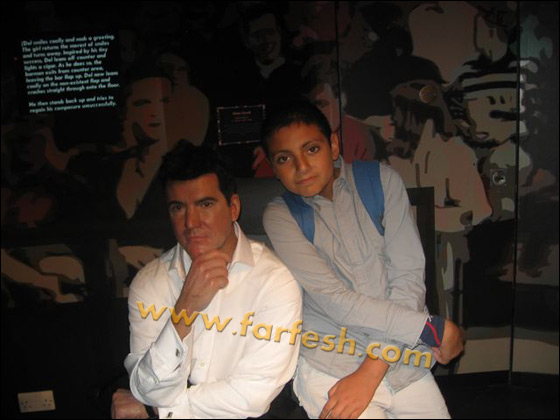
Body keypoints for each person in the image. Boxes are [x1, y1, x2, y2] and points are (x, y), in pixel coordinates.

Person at [261, 101, 464, 419]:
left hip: (402, 360)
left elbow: (408, 277)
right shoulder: (280, 215)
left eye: (312, 149)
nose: (302, 167)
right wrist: (432, 329)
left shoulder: (380, 181)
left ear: (333, 144)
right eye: (284, 158)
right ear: (274, 167)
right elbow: (335, 300)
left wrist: (373, 369)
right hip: (333, 362)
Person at [112, 141, 302, 418]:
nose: (191, 222)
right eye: (178, 208)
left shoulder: (274, 282)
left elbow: (251, 395)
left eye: (205, 204)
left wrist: (162, 410)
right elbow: (149, 390)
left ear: (233, 207)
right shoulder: (150, 282)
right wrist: (185, 308)